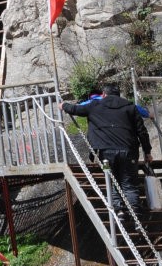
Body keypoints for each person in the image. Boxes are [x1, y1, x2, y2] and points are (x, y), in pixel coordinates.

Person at [60, 82, 152, 214]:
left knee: (112, 181)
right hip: (128, 151)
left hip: (105, 153)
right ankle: (136, 215)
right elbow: (142, 132)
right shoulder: (130, 107)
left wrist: (63, 105)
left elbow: (75, 109)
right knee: (129, 185)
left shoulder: (95, 106)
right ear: (119, 95)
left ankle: (119, 212)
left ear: (103, 94)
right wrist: (147, 152)